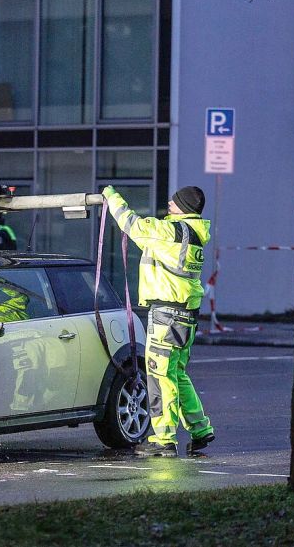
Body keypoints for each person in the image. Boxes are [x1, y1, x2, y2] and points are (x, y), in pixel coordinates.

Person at [102, 184, 215, 457]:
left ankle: (163, 439)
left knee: (160, 375)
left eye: (174, 202)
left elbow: (132, 224)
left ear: (184, 207)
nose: (169, 203)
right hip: (186, 315)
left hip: (166, 314)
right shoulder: (189, 234)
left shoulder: (170, 231)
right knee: (177, 374)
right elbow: (150, 242)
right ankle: (200, 429)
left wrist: (110, 195)